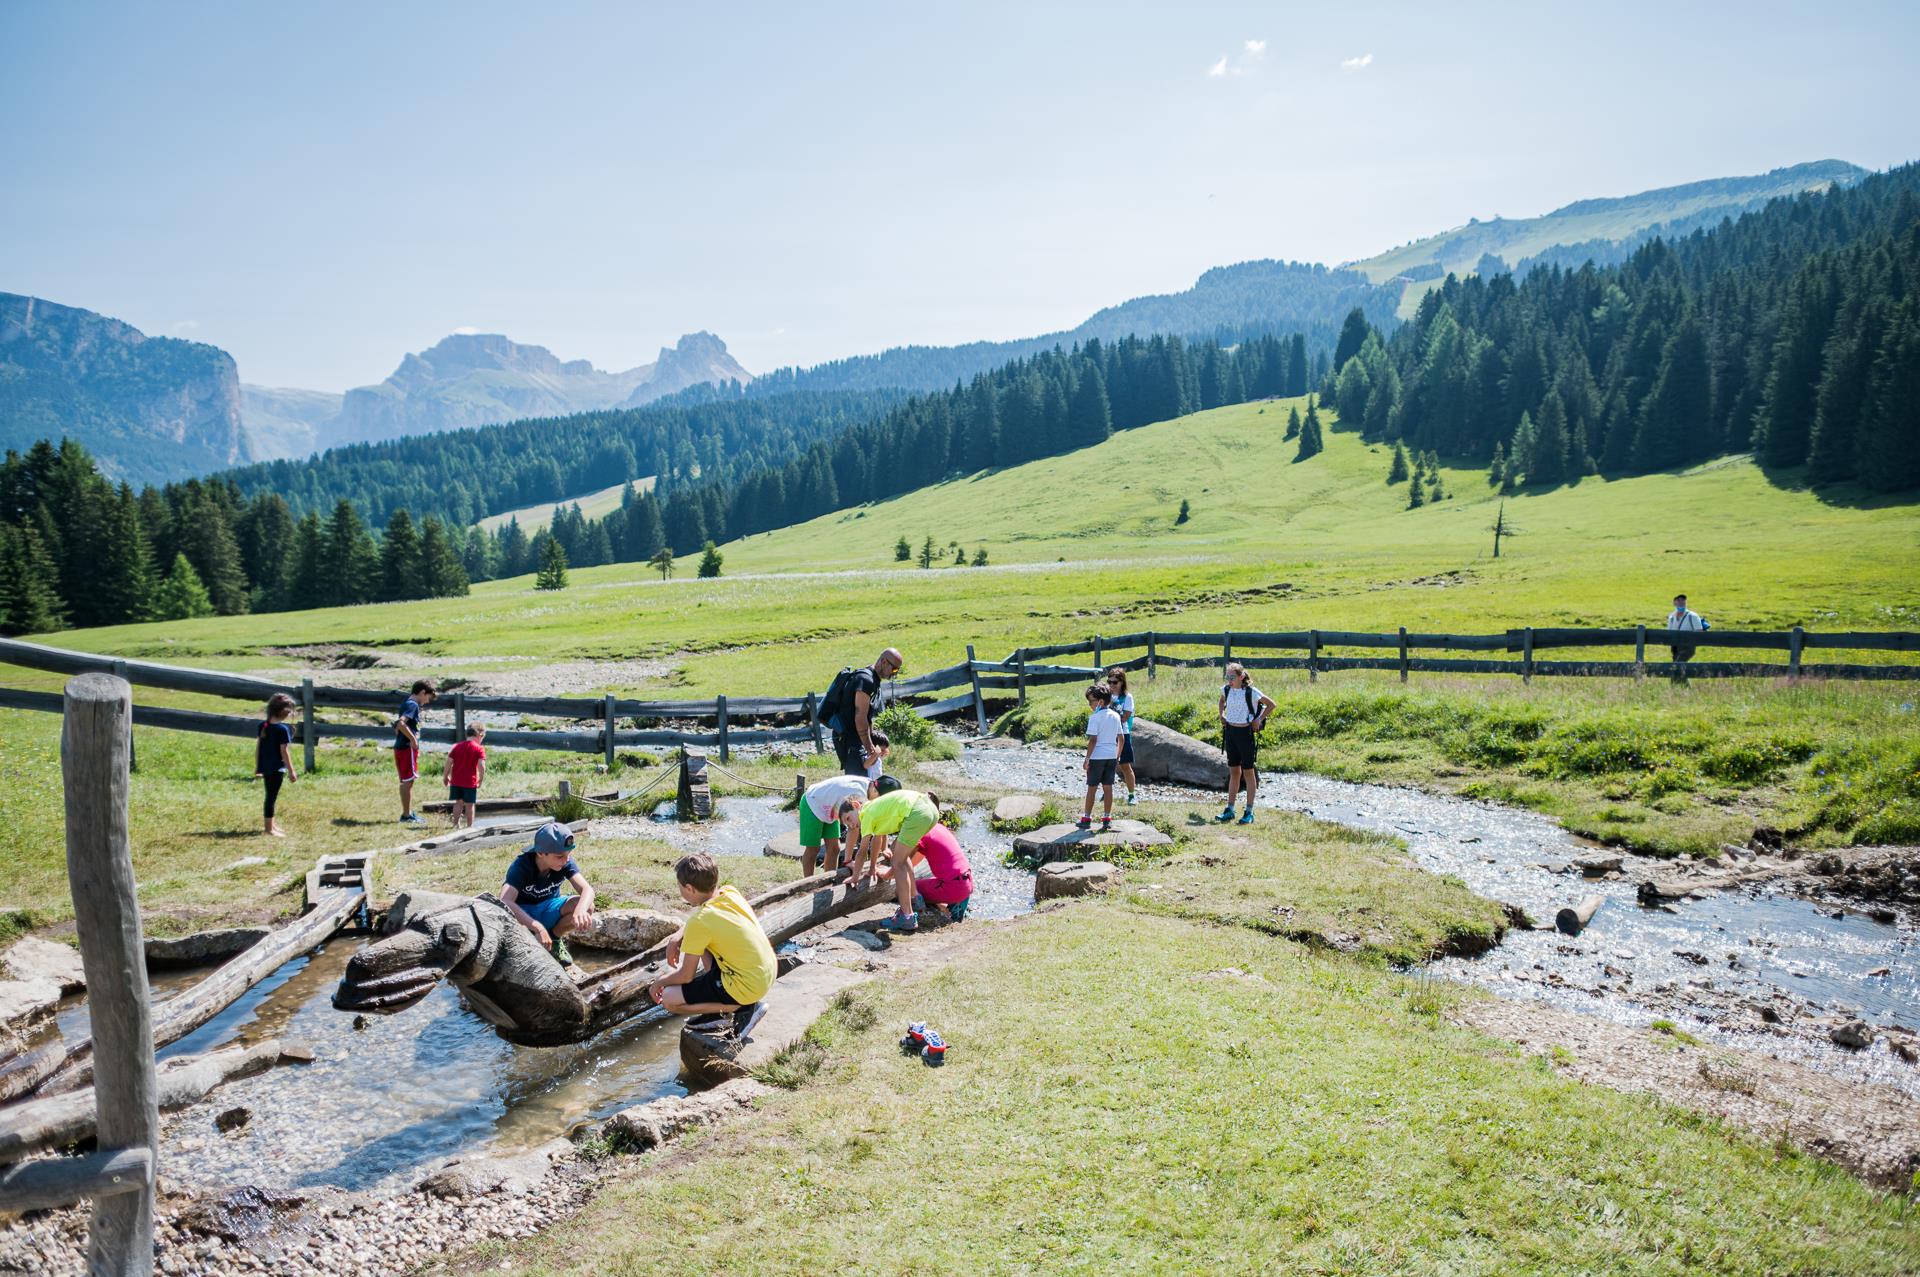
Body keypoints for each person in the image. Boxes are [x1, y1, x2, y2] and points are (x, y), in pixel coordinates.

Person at [649, 852, 776, 1036]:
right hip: (766, 974)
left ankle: (741, 1008)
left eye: (680, 887)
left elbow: (686, 975)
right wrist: (677, 935)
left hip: (747, 987)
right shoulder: (729, 892)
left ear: (690, 889)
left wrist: (658, 982)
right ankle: (717, 1012)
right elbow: (700, 920)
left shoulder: (700, 922)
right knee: (704, 942)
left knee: (669, 999)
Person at [839, 787, 943, 932]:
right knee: (902, 857)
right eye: (846, 824)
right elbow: (877, 838)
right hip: (930, 811)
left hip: (917, 812)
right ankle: (915, 900)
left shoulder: (866, 813)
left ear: (857, 806)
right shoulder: (876, 810)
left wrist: (855, 877)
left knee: (897, 863)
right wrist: (872, 868)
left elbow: (862, 852)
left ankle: (907, 917)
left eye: (848, 819)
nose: (850, 825)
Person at [500, 820, 596, 967]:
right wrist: (538, 927)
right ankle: (534, 938)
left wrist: (580, 910)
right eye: (559, 856)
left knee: (587, 906)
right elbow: (506, 901)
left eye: (568, 854)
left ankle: (554, 939)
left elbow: (587, 890)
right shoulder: (522, 866)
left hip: (548, 909)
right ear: (540, 852)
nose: (565, 860)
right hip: (523, 915)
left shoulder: (565, 862)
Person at [827, 649, 902, 777]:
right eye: (894, 669)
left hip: (857, 740)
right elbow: (860, 717)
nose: (894, 674)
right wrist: (869, 748)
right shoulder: (865, 680)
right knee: (857, 785)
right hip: (850, 740)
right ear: (884, 661)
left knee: (864, 784)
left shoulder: (873, 679)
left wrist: (875, 745)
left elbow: (868, 717)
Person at [1216, 662, 1274, 825]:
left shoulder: (1251, 692)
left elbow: (1271, 704)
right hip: (1230, 733)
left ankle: (1249, 811)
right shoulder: (1226, 689)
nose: (1229, 680)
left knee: (1248, 772)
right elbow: (1221, 701)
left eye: (1232, 677)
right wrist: (1221, 714)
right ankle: (1230, 809)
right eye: (1227, 676)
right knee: (1234, 771)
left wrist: (1258, 719)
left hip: (1245, 733)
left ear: (1241, 677)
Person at [885, 817, 974, 924]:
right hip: (967, 883)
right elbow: (915, 861)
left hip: (953, 888)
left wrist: (888, 873)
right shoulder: (938, 827)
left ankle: (946, 907)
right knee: (928, 882)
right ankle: (950, 904)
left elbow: (903, 862)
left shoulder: (920, 833)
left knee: (902, 890)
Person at [798, 771, 886, 876]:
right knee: (813, 848)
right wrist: (848, 860)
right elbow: (853, 828)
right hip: (813, 802)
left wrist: (885, 848)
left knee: (835, 848)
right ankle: (808, 884)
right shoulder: (859, 794)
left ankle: (828, 880)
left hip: (834, 807)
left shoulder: (870, 790)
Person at [1080, 683, 1123, 830]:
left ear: (1100, 702)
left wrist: (1087, 759)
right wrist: (1117, 756)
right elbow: (1121, 738)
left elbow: (1093, 740)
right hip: (1111, 756)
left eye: (1091, 701)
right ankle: (1106, 818)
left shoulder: (1095, 718)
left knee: (1092, 788)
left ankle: (1086, 818)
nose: (1090, 704)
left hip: (1097, 758)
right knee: (1108, 787)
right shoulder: (1116, 716)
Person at [394, 679, 437, 824]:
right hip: (407, 748)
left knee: (406, 780)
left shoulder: (406, 703)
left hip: (400, 746)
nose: (427, 701)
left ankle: (407, 813)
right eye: (428, 698)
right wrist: (413, 740)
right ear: (423, 692)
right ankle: (406, 815)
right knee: (408, 781)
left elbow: (397, 726)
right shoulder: (413, 705)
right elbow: (400, 723)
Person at [254, 693, 297, 837]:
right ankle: (269, 829)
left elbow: (258, 747)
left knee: (270, 796)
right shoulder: (282, 729)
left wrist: (257, 766)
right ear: (283, 712)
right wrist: (292, 771)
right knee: (271, 797)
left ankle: (272, 824)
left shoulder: (263, 725)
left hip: (266, 767)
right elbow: (284, 752)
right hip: (276, 769)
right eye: (289, 711)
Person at [1106, 666, 1138, 805]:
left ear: (1122, 682)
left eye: (1115, 682)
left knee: (1125, 766)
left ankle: (1132, 795)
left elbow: (1125, 717)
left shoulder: (1127, 697)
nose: (1112, 685)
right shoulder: (1105, 695)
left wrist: (1112, 707)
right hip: (1107, 734)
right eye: (1110, 682)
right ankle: (1107, 793)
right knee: (1107, 765)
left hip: (1122, 733)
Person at [446, 723, 487, 828]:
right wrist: (481, 779)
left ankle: (455, 824)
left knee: (458, 803)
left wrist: (445, 776)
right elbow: (481, 765)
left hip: (456, 781)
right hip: (470, 782)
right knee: (470, 805)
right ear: (480, 735)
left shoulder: (457, 746)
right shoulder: (479, 749)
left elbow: (449, 762)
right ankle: (470, 827)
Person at [1666, 593, 1708, 679]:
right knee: (1677, 666)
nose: (1681, 603)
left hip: (1688, 646)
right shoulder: (1671, 617)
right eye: (1679, 601)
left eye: (1683, 601)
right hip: (1675, 647)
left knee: (1678, 665)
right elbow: (1669, 632)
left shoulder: (1692, 616)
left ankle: (1678, 685)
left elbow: (1699, 631)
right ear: (1674, 603)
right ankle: (1681, 686)